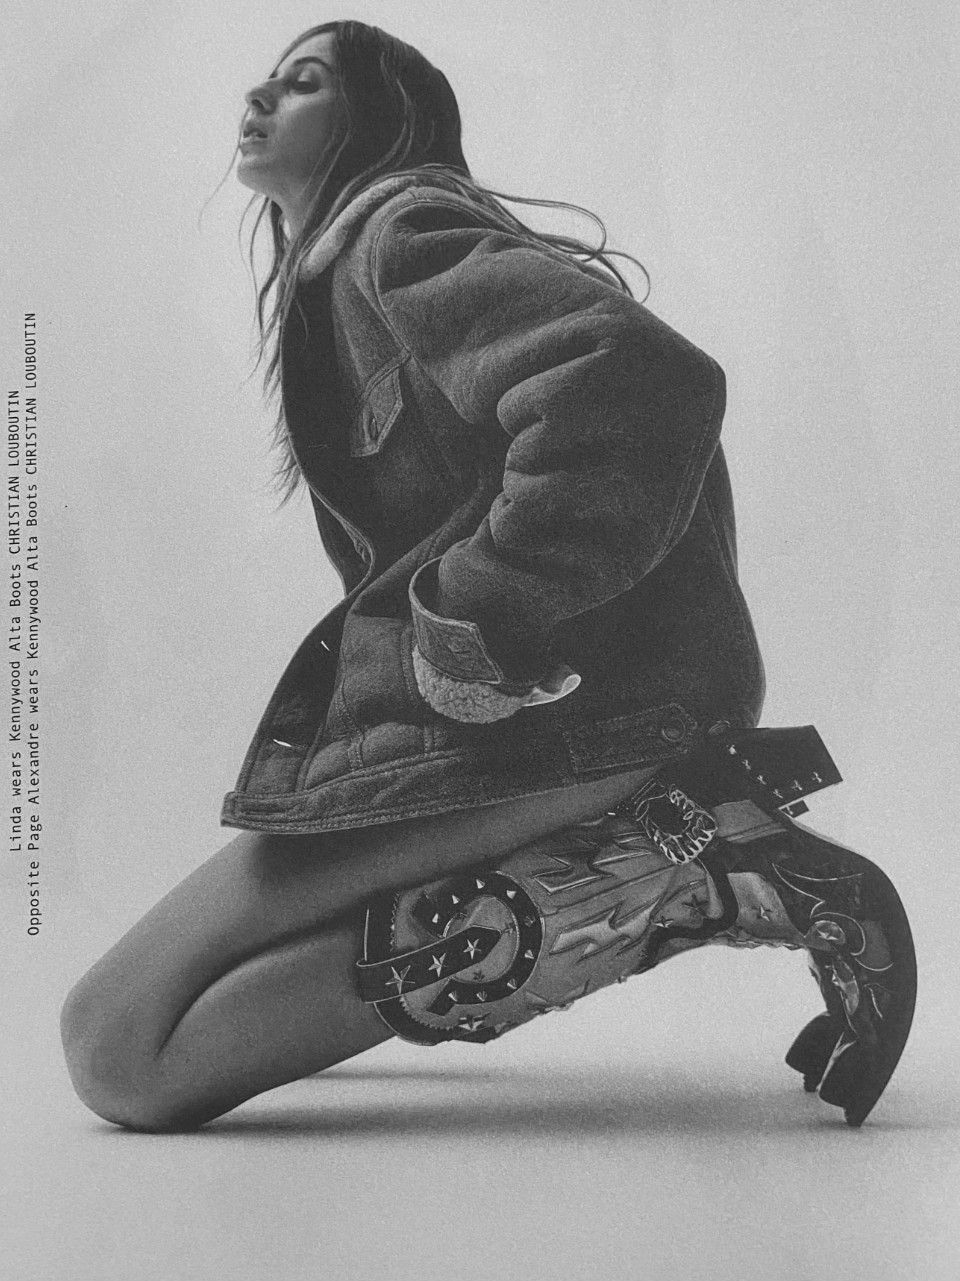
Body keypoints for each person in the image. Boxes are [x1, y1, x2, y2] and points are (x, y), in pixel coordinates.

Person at [59, 21, 915, 1132]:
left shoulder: (399, 234)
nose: (259, 98)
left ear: (375, 118)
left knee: (123, 1053)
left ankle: (691, 874)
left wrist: (478, 612)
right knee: (125, 1039)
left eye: (303, 82)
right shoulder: (345, 278)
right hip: (527, 727)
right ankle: (664, 860)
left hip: (596, 717)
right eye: (264, 80)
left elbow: (643, 380)